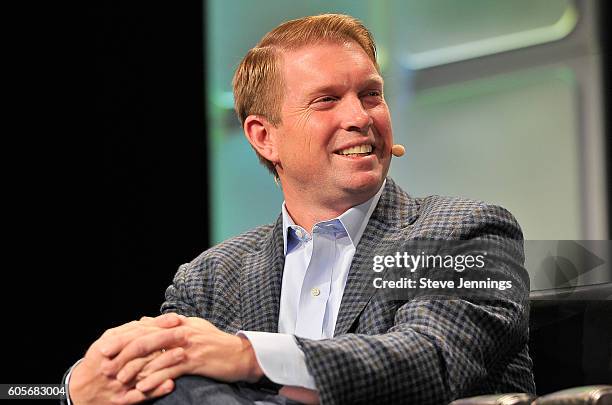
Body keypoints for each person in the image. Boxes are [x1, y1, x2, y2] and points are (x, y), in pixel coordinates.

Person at [65, 14, 535, 405]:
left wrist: (250, 356)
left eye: (371, 94)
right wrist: (70, 391)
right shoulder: (210, 279)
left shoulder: (464, 231)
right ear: (264, 137)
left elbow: (429, 360)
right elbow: (152, 378)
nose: (360, 117)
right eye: (327, 100)